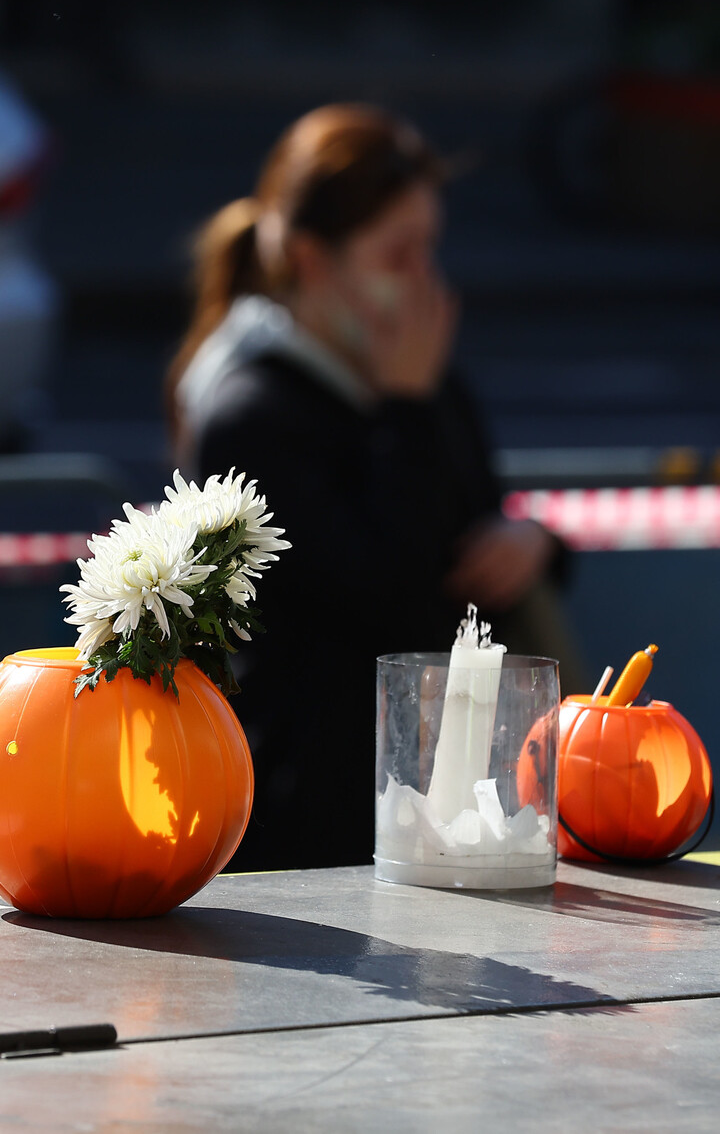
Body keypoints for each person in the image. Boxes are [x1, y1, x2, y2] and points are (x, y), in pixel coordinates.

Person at [165, 103, 587, 872]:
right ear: (314, 260)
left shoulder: (419, 380)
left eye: (431, 248)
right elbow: (390, 595)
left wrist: (534, 543)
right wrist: (402, 412)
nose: (426, 280)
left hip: (456, 802)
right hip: (318, 824)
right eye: (399, 256)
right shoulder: (254, 414)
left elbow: (473, 521)